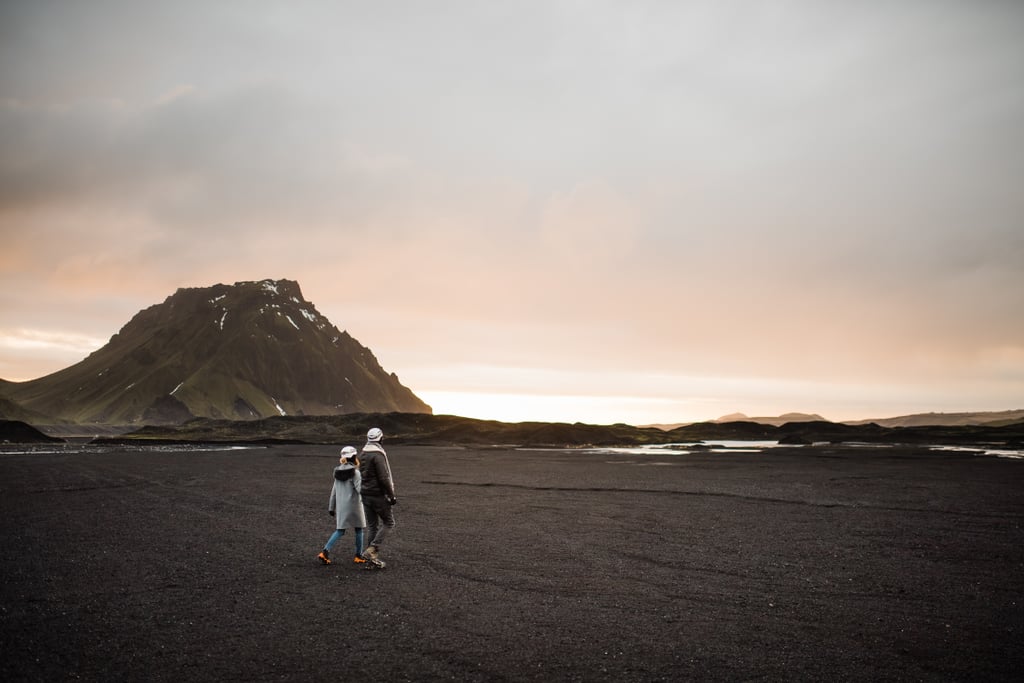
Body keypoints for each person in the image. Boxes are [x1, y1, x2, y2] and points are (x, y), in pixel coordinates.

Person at [317, 446, 368, 566]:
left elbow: (333, 492)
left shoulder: (337, 472)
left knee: (340, 530)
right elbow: (360, 490)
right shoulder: (355, 473)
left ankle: (325, 551)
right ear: (354, 457)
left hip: (341, 507)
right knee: (359, 529)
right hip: (355, 506)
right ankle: (358, 555)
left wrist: (331, 507)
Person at [358, 427, 397, 566]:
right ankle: (372, 548)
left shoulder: (362, 453)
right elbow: (383, 477)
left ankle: (370, 560)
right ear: (380, 438)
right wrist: (391, 496)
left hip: (365, 494)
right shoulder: (378, 454)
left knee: (372, 526)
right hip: (378, 495)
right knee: (389, 522)